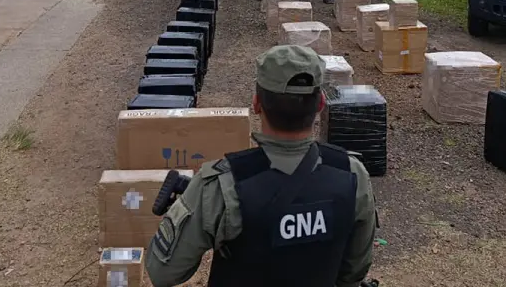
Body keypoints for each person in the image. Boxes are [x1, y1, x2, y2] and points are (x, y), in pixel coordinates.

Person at [145, 45, 377, 287]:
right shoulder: (351, 174)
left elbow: (163, 272)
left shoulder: (221, 186)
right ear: (320, 104)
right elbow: (354, 272)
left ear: (256, 104)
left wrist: (185, 209)